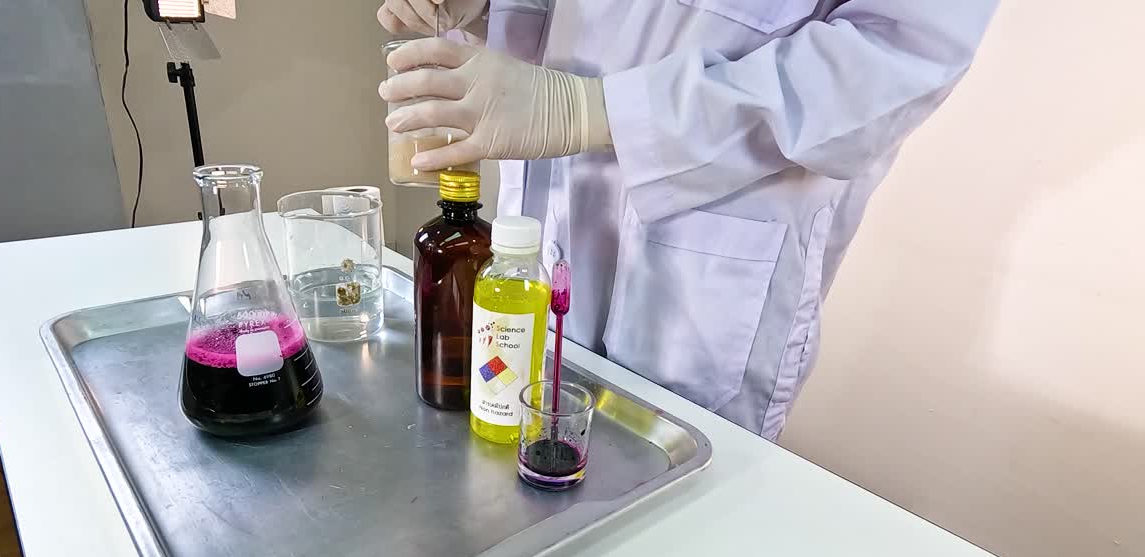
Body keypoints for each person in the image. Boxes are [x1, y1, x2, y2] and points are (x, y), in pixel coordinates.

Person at [378, 1, 998, 440]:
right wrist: (487, 7)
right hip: (545, 213)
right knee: (523, 460)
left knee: (676, 524)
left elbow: (893, 61)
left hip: (711, 254)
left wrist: (607, 112)